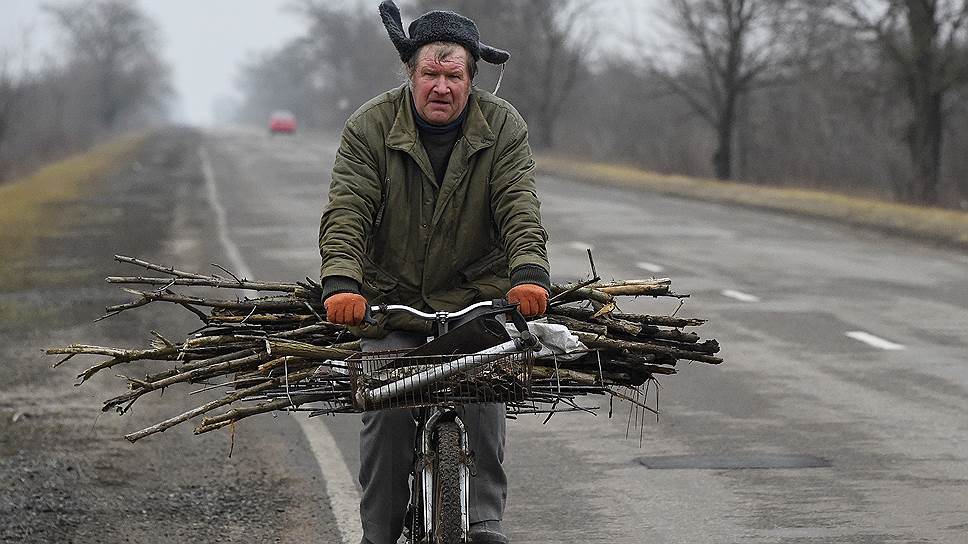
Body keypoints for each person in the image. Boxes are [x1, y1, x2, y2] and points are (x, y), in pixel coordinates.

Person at [318, 2, 550, 543]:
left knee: (485, 385)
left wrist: (530, 273)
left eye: (453, 75)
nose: (440, 87)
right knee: (388, 407)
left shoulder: (503, 126)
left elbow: (519, 205)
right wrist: (342, 283)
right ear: (410, 74)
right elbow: (347, 209)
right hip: (391, 299)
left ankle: (485, 523)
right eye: (430, 74)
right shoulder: (370, 127)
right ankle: (379, 533)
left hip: (477, 295)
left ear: (472, 79)